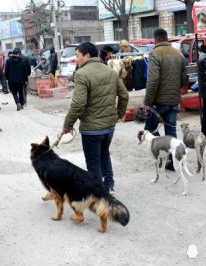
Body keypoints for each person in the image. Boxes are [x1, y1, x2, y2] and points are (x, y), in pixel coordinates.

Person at [62, 42, 129, 193]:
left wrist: (67, 125)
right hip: (109, 126)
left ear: (87, 55)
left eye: (78, 56)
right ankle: (109, 185)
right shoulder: (110, 71)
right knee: (104, 154)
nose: (76, 59)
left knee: (93, 162)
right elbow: (124, 95)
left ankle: (98, 193)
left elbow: (78, 104)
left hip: (91, 129)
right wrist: (118, 115)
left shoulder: (81, 74)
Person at [143, 28, 187, 170]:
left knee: (149, 129)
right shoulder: (178, 53)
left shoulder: (155, 53)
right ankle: (174, 161)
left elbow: (153, 80)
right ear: (167, 38)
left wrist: (147, 101)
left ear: (155, 39)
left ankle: (161, 153)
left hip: (158, 102)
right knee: (171, 130)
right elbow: (184, 78)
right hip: (174, 100)